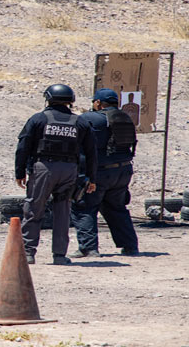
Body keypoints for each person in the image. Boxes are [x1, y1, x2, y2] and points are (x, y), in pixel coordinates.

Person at [15, 84, 97, 265]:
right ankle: (59, 255)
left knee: (34, 209)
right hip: (69, 171)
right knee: (63, 212)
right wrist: (91, 178)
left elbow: (23, 147)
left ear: (48, 99)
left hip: (44, 168)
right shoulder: (81, 122)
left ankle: (28, 253)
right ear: (71, 101)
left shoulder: (38, 119)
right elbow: (92, 152)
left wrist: (20, 172)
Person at [69, 88, 139, 258]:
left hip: (100, 172)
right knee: (117, 208)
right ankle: (130, 246)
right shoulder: (125, 118)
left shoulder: (90, 118)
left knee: (84, 206)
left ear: (98, 103)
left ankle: (88, 248)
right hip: (123, 170)